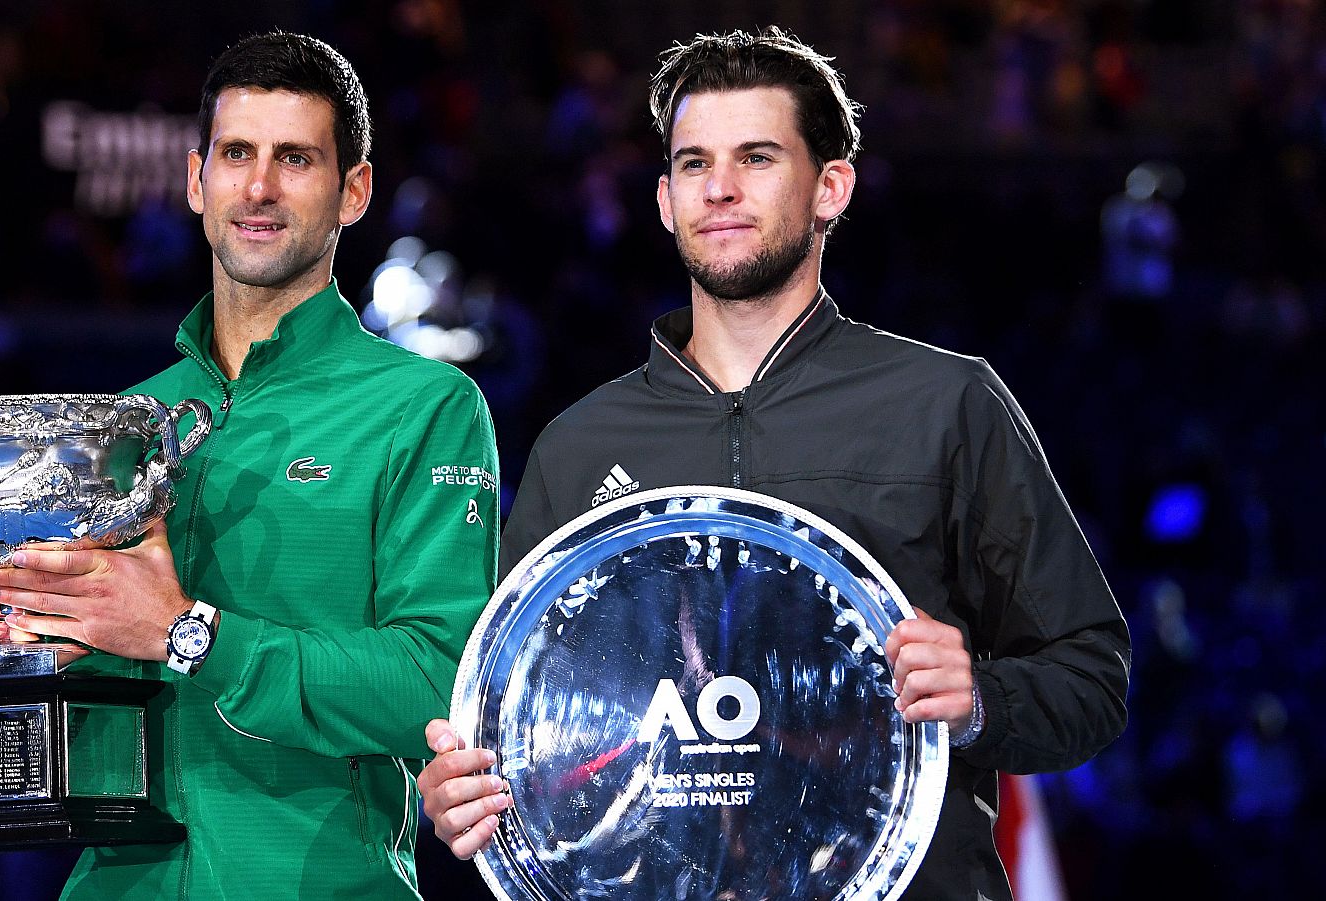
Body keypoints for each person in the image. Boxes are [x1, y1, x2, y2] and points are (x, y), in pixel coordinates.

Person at [416, 27, 1129, 901]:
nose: (719, 188)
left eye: (756, 157)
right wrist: (461, 793)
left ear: (831, 187)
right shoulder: (581, 445)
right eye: (693, 164)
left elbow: (1091, 677)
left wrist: (978, 696)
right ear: (665, 201)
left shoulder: (947, 404)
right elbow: (509, 718)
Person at [0, 32, 500, 900]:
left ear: (354, 191)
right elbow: (65, 750)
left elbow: (440, 683)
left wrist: (190, 632)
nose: (258, 187)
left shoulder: (427, 408)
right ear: (196, 180)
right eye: (237, 154)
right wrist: (1, 658)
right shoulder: (120, 422)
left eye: (294, 159)